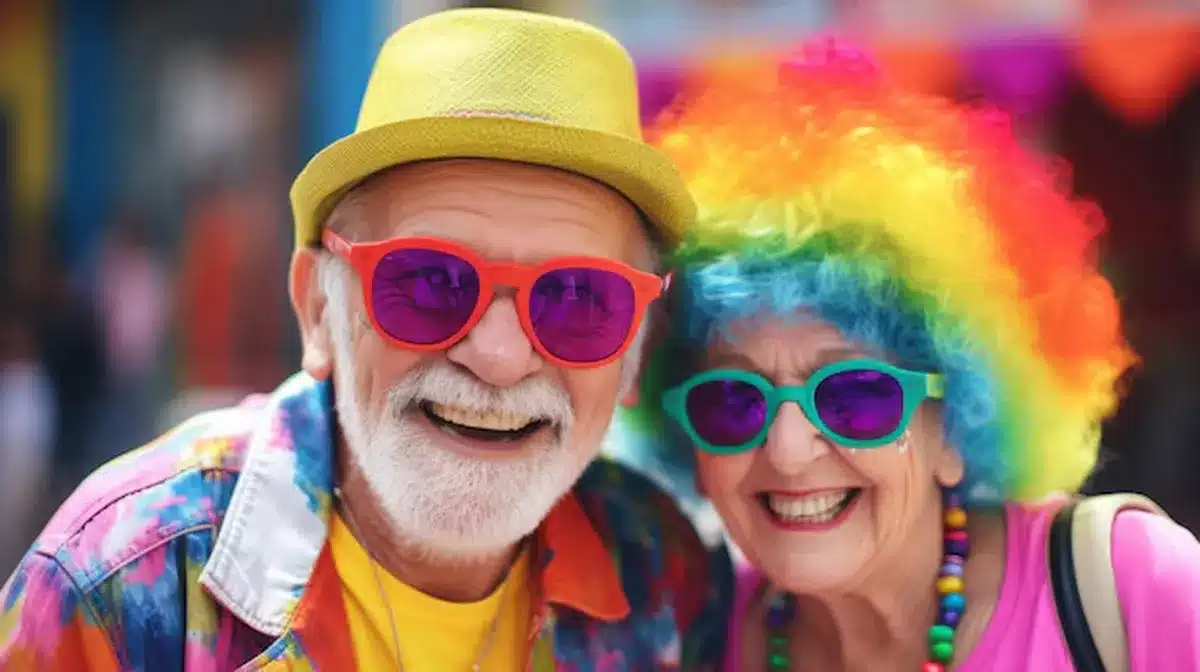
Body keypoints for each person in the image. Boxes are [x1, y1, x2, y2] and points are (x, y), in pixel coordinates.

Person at [0, 9, 730, 670]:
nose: (500, 357)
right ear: (319, 310)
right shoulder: (118, 586)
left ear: (636, 348)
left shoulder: (665, 575)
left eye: (578, 300)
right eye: (429, 284)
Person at [618, 39, 1200, 670]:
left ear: (952, 427)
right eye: (733, 401)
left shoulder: (1130, 587)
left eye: (854, 396)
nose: (787, 452)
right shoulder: (693, 643)